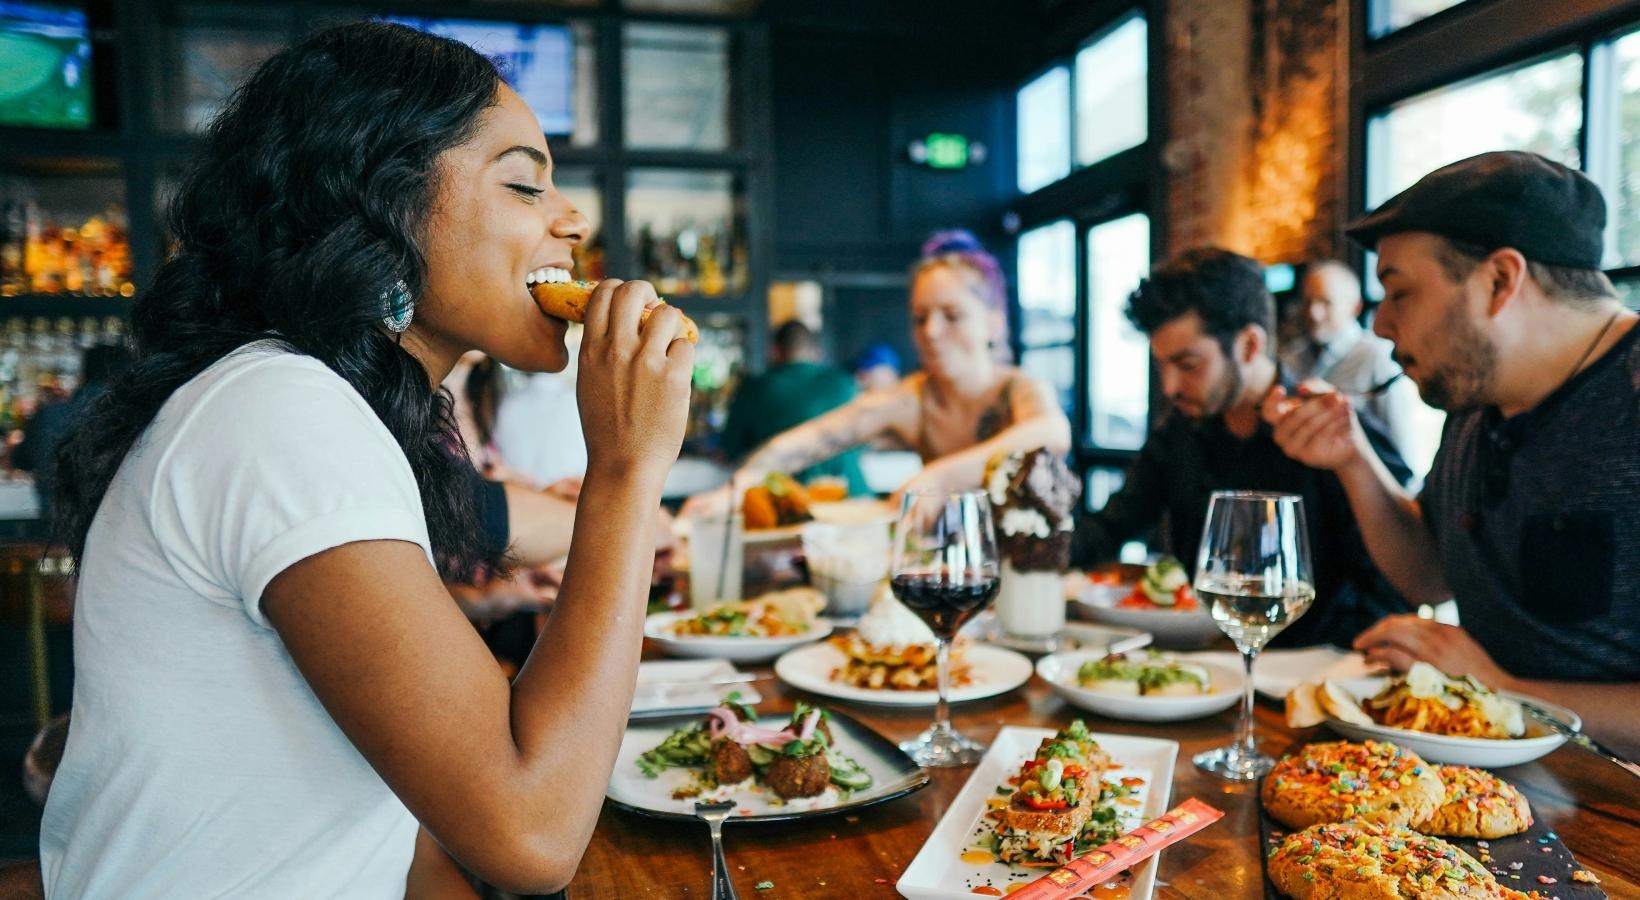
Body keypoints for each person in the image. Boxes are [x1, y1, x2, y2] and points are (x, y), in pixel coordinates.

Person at [40, 22, 692, 898]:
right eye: (523, 184)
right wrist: (626, 471)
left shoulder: (328, 408)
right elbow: (533, 835)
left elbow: (387, 830)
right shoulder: (280, 413)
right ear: (380, 205)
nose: (573, 220)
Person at [1263, 151, 1640, 754]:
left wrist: (1500, 689)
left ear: (1500, 281)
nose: (1381, 325)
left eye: (1399, 293)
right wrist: (1352, 458)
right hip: (1493, 776)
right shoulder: (1477, 400)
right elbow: (1429, 574)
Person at [1071, 247, 1412, 648]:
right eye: (1162, 365)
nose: (1169, 387)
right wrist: (1032, 546)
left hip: (1309, 670)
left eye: (1188, 365)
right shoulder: (1179, 433)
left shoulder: (1330, 431)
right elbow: (1110, 527)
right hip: (1200, 660)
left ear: (1249, 345)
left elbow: (1395, 587)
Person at [686, 230, 1070, 509]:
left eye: (952, 315)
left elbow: (1051, 432)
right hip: (954, 572)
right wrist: (737, 489)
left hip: (1031, 577)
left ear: (994, 323)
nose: (931, 332)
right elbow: (810, 440)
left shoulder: (1019, 388)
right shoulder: (913, 398)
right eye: (920, 318)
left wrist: (938, 477)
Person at [1281, 260, 1428, 476]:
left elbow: (1401, 448)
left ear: (1355, 307)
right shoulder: (1292, 358)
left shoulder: (1377, 357)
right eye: (1308, 301)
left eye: (1326, 302)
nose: (1313, 312)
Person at [720, 319, 867, 495]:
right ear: (815, 351)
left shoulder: (754, 389)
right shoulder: (846, 383)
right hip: (854, 496)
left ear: (774, 351)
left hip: (787, 500)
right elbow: (864, 443)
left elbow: (727, 452)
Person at [11, 344, 132, 525]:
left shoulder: (48, 415)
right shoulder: (133, 418)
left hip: (55, 528)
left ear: (82, 375)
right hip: (117, 528)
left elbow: (21, 460)